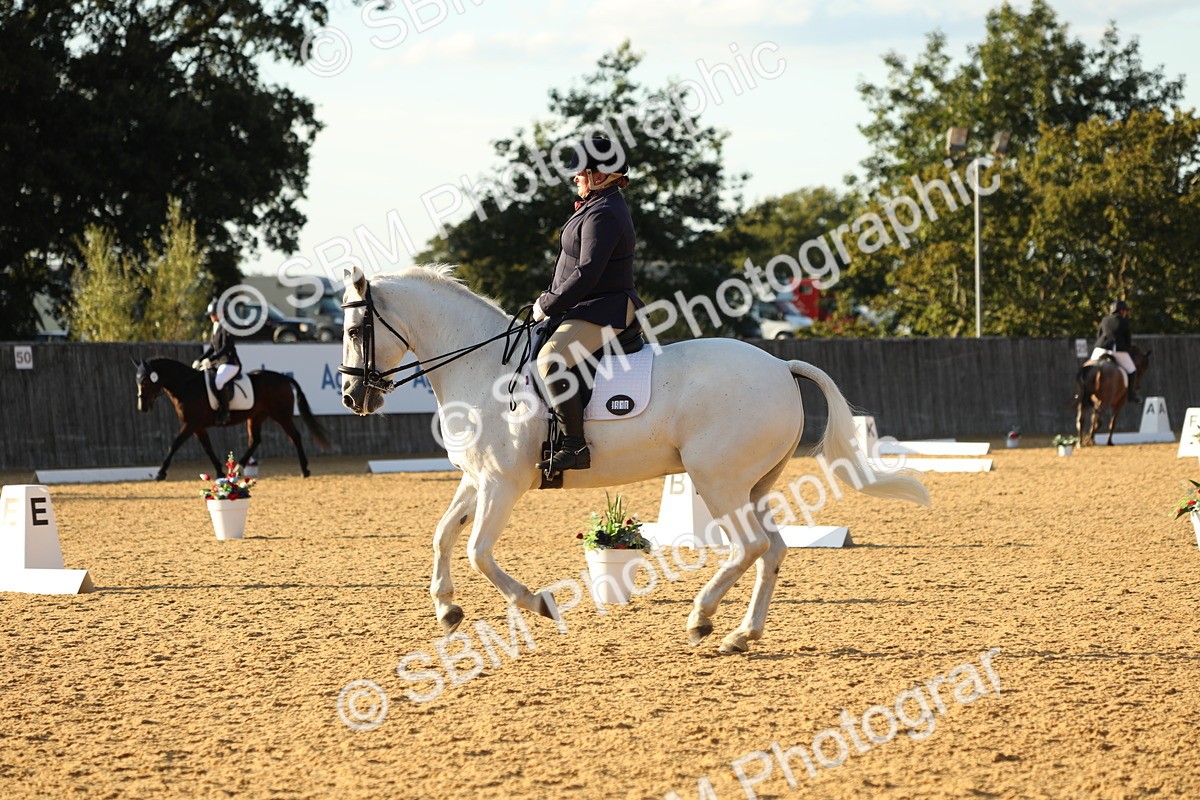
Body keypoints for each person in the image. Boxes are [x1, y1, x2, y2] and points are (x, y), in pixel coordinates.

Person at [532, 138, 645, 472]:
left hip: (606, 308)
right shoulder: (597, 206)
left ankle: (575, 447)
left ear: (601, 175)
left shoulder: (606, 212)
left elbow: (587, 273)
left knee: (551, 358)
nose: (575, 177)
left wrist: (548, 304)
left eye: (581, 172)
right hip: (587, 306)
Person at [194, 300, 242, 423]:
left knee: (219, 381)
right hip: (219, 363)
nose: (211, 316)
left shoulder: (227, 327)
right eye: (211, 314)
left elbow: (226, 347)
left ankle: (225, 411)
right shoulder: (215, 327)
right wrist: (199, 360)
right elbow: (212, 348)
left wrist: (211, 359)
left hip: (230, 363)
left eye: (213, 314)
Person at [1090, 299, 1139, 403]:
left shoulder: (1104, 320)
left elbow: (1098, 335)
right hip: (1117, 350)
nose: (1125, 313)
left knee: (1088, 368)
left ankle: (1084, 391)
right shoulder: (1124, 322)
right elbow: (1128, 340)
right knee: (1132, 370)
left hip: (1100, 349)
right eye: (1125, 311)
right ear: (1121, 311)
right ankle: (1131, 395)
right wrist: (1127, 349)